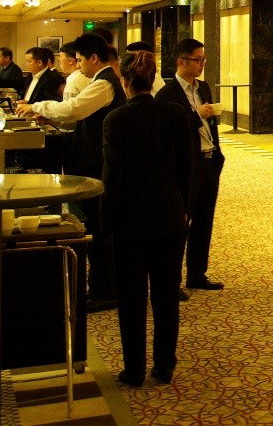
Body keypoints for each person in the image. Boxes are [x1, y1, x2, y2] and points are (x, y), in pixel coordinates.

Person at [101, 50, 193, 387]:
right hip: (170, 215)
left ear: (124, 81)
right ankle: (165, 364)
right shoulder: (175, 114)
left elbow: (113, 176)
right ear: (153, 80)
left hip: (130, 219)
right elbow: (187, 167)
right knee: (166, 294)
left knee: (132, 297)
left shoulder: (116, 120)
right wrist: (185, 208)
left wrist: (107, 219)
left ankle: (135, 368)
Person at [17, 33, 127, 310]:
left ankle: (105, 290)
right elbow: (77, 117)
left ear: (93, 58)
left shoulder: (104, 84)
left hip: (97, 161)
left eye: (79, 60)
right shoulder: (99, 82)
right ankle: (102, 286)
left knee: (99, 228)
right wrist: (48, 116)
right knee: (95, 225)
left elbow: (74, 109)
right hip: (91, 158)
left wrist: (37, 106)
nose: (78, 66)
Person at [157, 38, 226, 296]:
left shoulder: (203, 88)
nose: (202, 65)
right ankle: (171, 280)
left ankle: (197, 273)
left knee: (204, 222)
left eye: (203, 60)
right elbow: (171, 131)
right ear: (181, 62)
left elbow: (210, 126)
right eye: (198, 60)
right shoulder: (167, 93)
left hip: (209, 161)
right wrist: (198, 115)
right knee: (179, 224)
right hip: (187, 166)